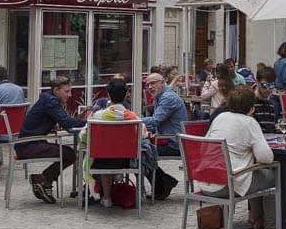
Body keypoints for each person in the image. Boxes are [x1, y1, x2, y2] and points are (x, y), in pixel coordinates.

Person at [202, 86, 278, 229]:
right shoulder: (250, 122)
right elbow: (267, 157)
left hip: (207, 182)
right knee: (271, 178)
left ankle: (258, 226)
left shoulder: (220, 118)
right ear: (252, 108)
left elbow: (204, 147)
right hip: (228, 184)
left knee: (255, 175)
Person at [16, 77, 88, 204]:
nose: (70, 95)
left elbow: (64, 121)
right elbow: (66, 122)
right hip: (29, 145)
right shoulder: (51, 101)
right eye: (66, 91)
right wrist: (89, 123)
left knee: (68, 153)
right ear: (56, 90)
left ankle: (43, 180)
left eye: (70, 91)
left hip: (28, 143)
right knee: (69, 154)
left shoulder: (48, 98)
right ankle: (42, 179)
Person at [84, 77, 145, 208]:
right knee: (112, 157)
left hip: (101, 159)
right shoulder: (133, 118)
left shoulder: (97, 116)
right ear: (126, 94)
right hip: (125, 160)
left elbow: (83, 136)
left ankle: (107, 198)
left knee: (103, 158)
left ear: (108, 94)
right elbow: (143, 135)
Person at [140, 72, 187, 199]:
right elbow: (156, 123)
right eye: (147, 85)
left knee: (142, 152)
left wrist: (133, 120)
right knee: (142, 149)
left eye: (153, 83)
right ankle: (163, 183)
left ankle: (163, 183)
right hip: (168, 139)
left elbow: (156, 120)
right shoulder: (161, 96)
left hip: (175, 144)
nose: (150, 87)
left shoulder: (168, 98)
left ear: (162, 82)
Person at [251, 66, 278, 133]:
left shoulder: (270, 103)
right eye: (265, 85)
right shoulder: (250, 102)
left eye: (272, 85)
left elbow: (270, 129)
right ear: (257, 82)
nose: (268, 89)